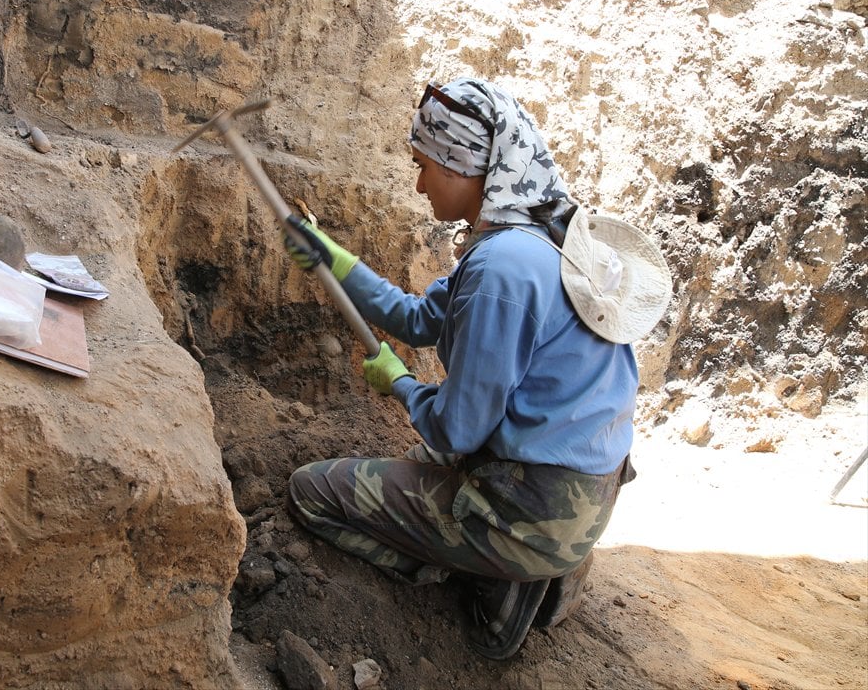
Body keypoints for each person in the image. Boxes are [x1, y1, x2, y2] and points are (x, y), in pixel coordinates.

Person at [283, 77, 671, 659]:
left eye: (426, 166)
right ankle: (526, 559)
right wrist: (335, 260)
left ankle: (490, 578)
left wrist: (403, 385)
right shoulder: (535, 237)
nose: (419, 184)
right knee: (421, 462)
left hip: (534, 507)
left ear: (466, 166)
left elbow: (457, 428)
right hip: (581, 488)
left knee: (311, 491)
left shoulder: (500, 270)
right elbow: (416, 320)